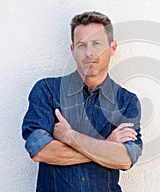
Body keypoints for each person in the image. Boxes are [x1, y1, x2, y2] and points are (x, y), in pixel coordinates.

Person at [22, 11, 142, 192]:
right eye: (81, 45)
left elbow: (125, 159)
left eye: (96, 44)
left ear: (113, 47)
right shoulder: (47, 91)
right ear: (73, 50)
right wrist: (107, 145)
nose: (89, 52)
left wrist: (70, 137)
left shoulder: (126, 101)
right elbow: (40, 151)